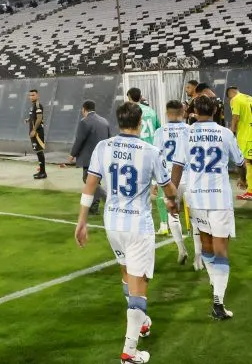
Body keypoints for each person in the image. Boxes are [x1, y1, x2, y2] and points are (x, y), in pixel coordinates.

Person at [75, 102, 178, 364]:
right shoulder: (150, 151)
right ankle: (129, 353)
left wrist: (82, 221)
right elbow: (169, 190)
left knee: (125, 270)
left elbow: (90, 186)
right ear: (140, 121)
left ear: (119, 121)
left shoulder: (103, 147)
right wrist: (172, 202)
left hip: (112, 224)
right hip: (138, 227)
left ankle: (142, 323)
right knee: (139, 287)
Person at [169, 95, 244, 320]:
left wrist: (172, 197)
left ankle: (215, 284)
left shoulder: (186, 133)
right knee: (221, 249)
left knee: (208, 245)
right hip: (219, 198)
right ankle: (218, 301)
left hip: (196, 198)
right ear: (214, 110)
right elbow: (240, 162)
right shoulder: (225, 133)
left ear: (194, 111)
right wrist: (244, 180)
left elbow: (177, 167)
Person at [153, 100, 193, 266]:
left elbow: (156, 157)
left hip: (169, 179)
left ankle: (181, 249)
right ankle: (199, 257)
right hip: (190, 178)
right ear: (183, 112)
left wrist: (155, 181)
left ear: (167, 113)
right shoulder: (190, 130)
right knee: (195, 218)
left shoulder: (160, 132)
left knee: (173, 214)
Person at [125, 88, 168, 235]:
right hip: (154, 152)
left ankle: (139, 223)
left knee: (138, 191)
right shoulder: (151, 111)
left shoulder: (131, 112)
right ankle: (164, 224)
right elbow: (158, 129)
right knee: (160, 190)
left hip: (138, 153)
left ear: (130, 97)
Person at [68, 100, 111, 215]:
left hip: (90, 158)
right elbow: (109, 139)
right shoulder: (104, 121)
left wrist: (72, 154)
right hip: (103, 157)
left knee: (88, 180)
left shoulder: (84, 122)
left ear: (84, 109)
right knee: (96, 181)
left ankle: (109, 200)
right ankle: (94, 208)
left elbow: (80, 140)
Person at [227, 86, 252, 200]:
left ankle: (250, 192)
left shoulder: (235, 99)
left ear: (230, 94)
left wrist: (232, 132)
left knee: (247, 162)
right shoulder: (250, 98)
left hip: (245, 135)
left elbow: (235, 117)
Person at [26, 89, 46, 180]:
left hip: (37, 132)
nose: (31, 97)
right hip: (34, 131)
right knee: (38, 151)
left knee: (39, 151)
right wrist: (29, 120)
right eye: (30, 95)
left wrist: (34, 130)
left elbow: (39, 118)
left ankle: (43, 172)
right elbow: (34, 117)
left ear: (37, 95)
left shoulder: (38, 105)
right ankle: (41, 170)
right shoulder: (33, 106)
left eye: (33, 95)